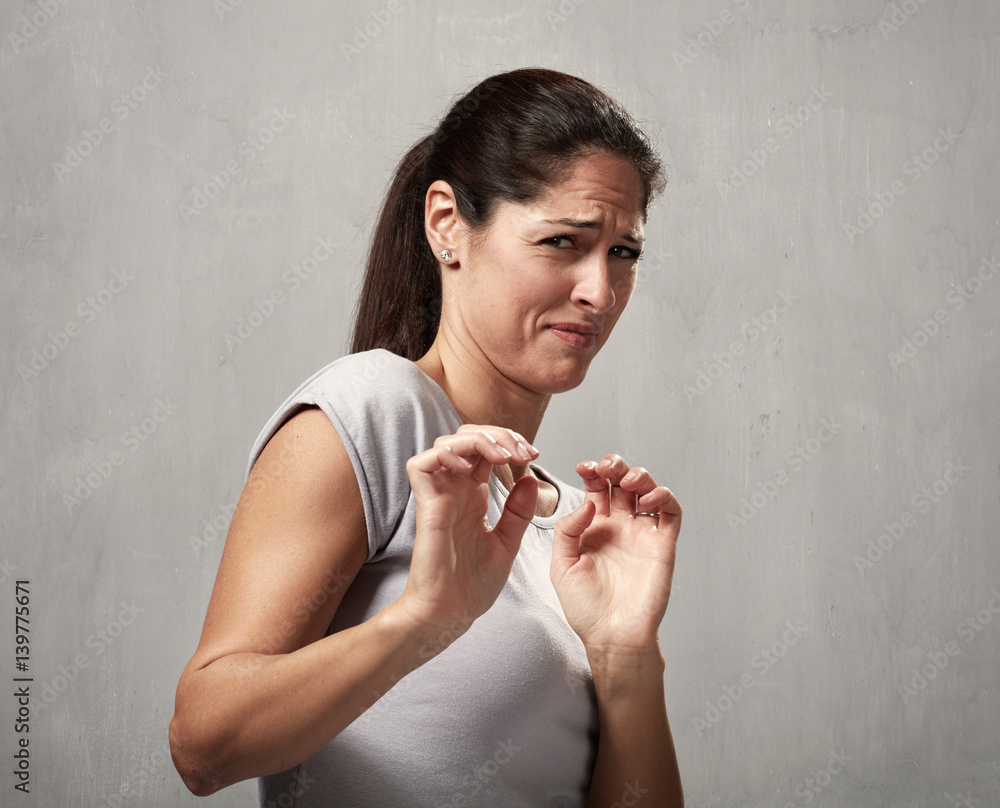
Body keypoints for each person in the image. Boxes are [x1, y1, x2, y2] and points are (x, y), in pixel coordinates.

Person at [169, 67, 684, 807]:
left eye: (623, 253)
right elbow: (203, 744)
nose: (599, 293)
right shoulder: (378, 411)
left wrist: (626, 654)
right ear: (447, 224)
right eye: (562, 241)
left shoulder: (573, 530)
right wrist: (424, 619)